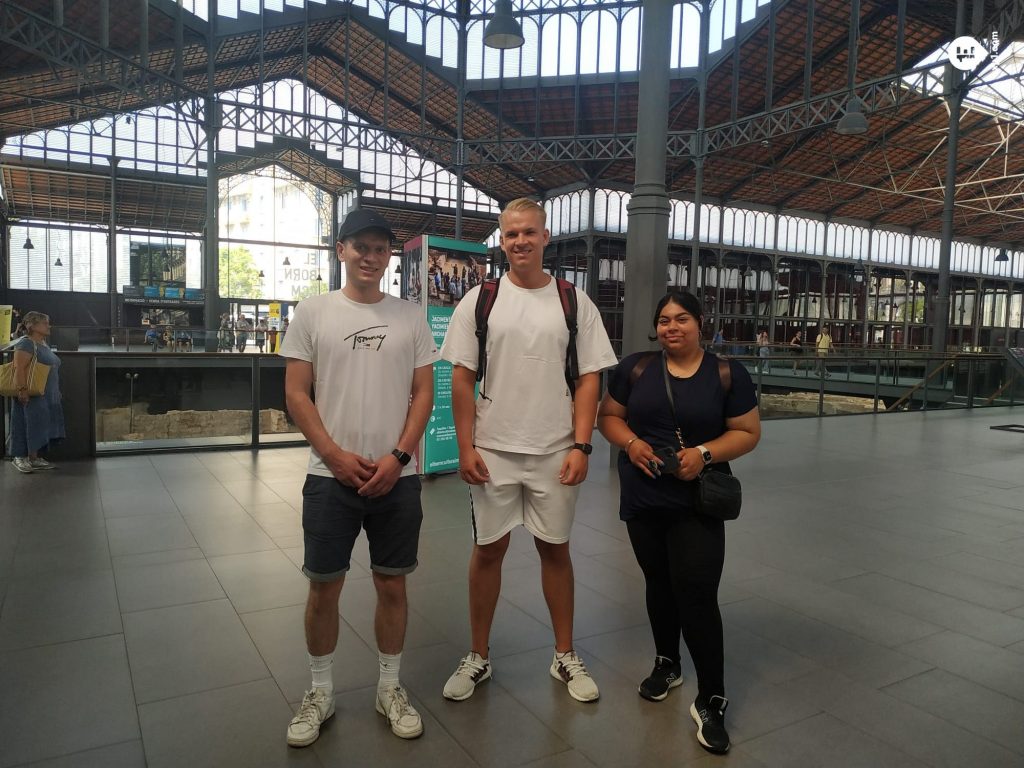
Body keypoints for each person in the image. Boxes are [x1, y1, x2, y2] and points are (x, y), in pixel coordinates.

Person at [439, 197, 618, 704]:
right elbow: (461, 377)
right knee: (488, 550)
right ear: (501, 239)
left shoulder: (572, 301)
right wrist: (467, 445)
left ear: (545, 237)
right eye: (511, 233)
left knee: (555, 549)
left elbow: (589, 378)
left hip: (554, 449)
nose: (520, 241)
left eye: (529, 232)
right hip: (494, 449)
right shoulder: (480, 300)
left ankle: (564, 654)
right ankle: (479, 655)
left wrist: (582, 444)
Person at [280, 208, 438, 748]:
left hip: (398, 477)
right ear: (341, 250)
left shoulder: (410, 317)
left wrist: (398, 457)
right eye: (361, 247)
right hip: (330, 477)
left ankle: (389, 686)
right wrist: (334, 454)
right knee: (324, 587)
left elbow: (425, 394)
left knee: (392, 584)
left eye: (381, 248)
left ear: (389, 255)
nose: (371, 257)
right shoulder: (313, 312)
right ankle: (320, 690)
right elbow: (297, 393)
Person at [596, 291, 760, 755]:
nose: (672, 327)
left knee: (698, 594)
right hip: (645, 496)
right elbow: (608, 418)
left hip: (698, 499)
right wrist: (630, 445)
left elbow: (748, 432)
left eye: (682, 318)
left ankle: (712, 699)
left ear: (700, 323)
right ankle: (668, 663)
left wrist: (704, 454)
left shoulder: (727, 373)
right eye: (664, 320)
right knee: (658, 583)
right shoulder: (636, 368)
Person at [8, 312, 66, 474]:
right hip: (30, 392)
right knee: (24, 422)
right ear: (31, 326)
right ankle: (19, 456)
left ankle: (33, 457)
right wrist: (22, 390)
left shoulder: (43, 343)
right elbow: (18, 368)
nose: (48, 326)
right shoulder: (26, 344)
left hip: (46, 394)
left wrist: (56, 391)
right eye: (45, 323)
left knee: (38, 425)